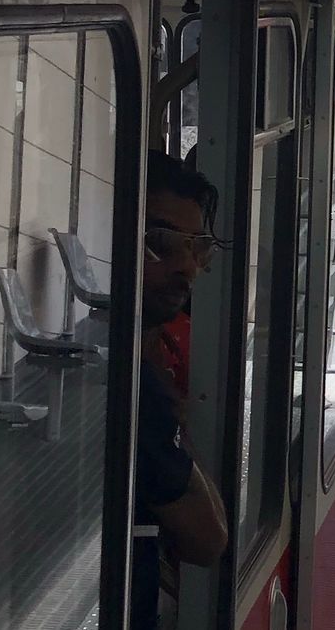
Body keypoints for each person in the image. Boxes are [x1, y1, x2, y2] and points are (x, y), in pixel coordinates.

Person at [135, 151, 228, 630]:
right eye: (161, 243)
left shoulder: (143, 370)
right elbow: (207, 539)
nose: (187, 268)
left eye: (197, 248)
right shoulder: (138, 396)